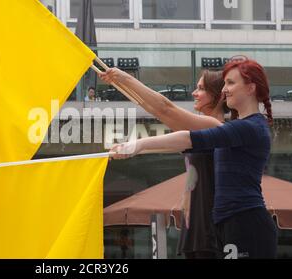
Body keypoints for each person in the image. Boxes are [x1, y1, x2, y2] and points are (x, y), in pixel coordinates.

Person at [109, 58, 277, 259]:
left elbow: (181, 129)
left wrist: (139, 144)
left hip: (239, 223)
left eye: (231, 83)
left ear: (251, 88)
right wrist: (135, 147)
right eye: (224, 83)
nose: (225, 89)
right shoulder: (236, 128)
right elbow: (168, 123)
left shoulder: (243, 128)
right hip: (220, 225)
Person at [99, 68, 227, 258]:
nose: (194, 93)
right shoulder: (204, 130)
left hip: (210, 231)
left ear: (218, 95)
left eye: (201, 88)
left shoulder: (215, 127)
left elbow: (165, 108)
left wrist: (125, 78)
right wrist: (121, 83)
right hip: (197, 231)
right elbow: (157, 110)